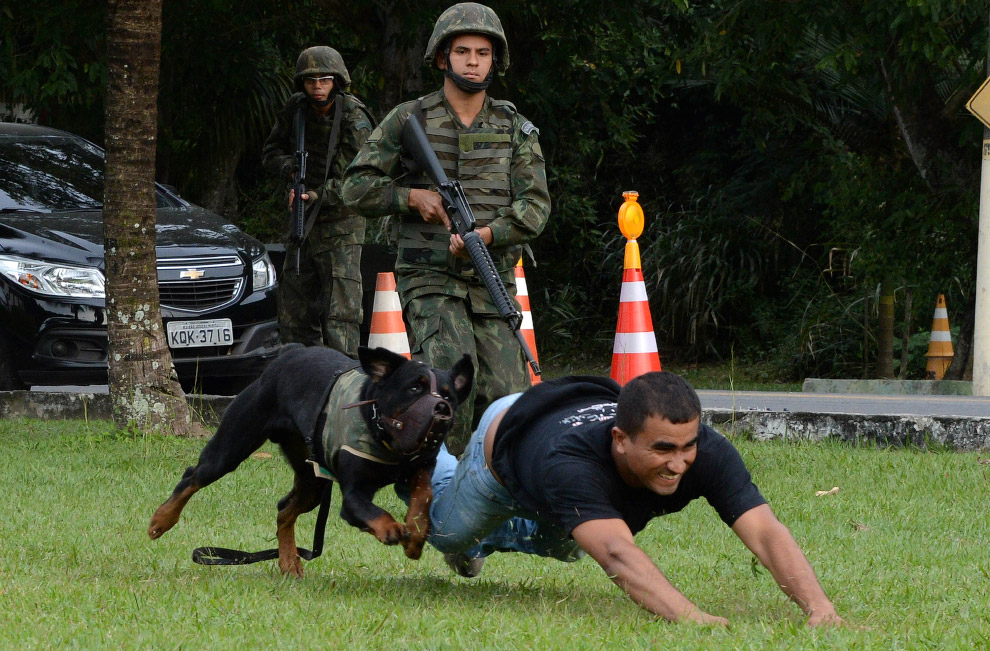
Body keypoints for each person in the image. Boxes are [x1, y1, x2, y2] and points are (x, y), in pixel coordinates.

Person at [425, 372, 846, 627]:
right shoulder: (571, 464)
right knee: (446, 533)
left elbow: (766, 533)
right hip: (506, 443)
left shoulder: (706, 450)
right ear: (620, 440)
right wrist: (692, 618)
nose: (679, 464)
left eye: (687, 447)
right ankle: (431, 460)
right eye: (663, 450)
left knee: (568, 549)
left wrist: (819, 608)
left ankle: (488, 538)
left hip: (557, 450)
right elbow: (616, 554)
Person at [342, 2, 550, 455]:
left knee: (509, 400)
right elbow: (354, 187)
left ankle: (494, 496)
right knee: (451, 390)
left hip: (489, 275)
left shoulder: (514, 127)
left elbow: (535, 208)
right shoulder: (408, 120)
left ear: (495, 60)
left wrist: (487, 236)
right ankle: (436, 490)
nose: (473, 61)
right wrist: (410, 198)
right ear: (443, 58)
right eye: (462, 51)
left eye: (482, 52)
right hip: (429, 278)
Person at [262, 46, 374, 356]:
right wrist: (292, 171)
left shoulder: (354, 118)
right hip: (303, 222)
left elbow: (362, 180)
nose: (317, 87)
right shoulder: (296, 110)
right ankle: (303, 373)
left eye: (324, 80)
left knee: (341, 314)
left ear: (337, 81)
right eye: (311, 81)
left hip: (342, 224)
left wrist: (318, 194)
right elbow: (270, 154)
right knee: (294, 311)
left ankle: (343, 380)